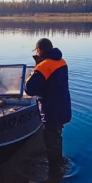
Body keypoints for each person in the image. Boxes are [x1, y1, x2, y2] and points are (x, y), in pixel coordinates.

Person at [24, 38, 71, 167]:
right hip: (63, 106)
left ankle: (55, 170)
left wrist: (31, 75)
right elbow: (52, 82)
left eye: (37, 51)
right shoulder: (61, 61)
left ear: (39, 50)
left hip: (51, 110)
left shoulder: (43, 66)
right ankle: (59, 165)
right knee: (56, 137)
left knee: (50, 140)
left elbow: (30, 90)